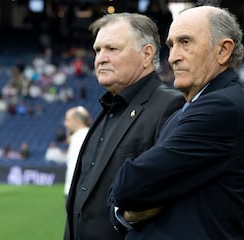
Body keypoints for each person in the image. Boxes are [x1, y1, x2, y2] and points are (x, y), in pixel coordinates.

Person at [109, 6, 244, 240]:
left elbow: (127, 185)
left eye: (185, 42)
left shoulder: (221, 109)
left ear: (223, 50)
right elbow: (126, 193)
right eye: (171, 45)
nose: (172, 57)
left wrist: (128, 202)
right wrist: (125, 211)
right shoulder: (187, 110)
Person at [64, 13, 185, 240]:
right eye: (98, 50)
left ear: (147, 54)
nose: (100, 58)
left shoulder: (169, 106)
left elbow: (165, 194)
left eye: (112, 49)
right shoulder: (106, 109)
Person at [63, 106, 91, 197]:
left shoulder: (84, 137)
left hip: (77, 192)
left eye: (68, 120)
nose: (65, 124)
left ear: (77, 121)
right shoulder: (79, 136)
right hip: (74, 190)